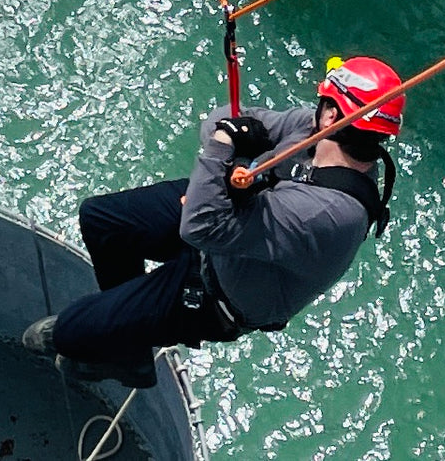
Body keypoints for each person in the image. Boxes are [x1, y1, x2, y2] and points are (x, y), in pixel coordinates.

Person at [22, 55, 404, 388]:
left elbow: (201, 226)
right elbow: (226, 118)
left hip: (215, 290)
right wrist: (235, 141)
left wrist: (225, 148)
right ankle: (130, 344)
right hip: (227, 224)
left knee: (68, 332)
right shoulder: (311, 129)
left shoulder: (327, 214)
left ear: (334, 114)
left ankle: (121, 337)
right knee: (102, 220)